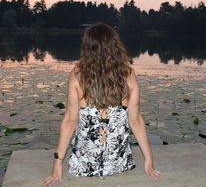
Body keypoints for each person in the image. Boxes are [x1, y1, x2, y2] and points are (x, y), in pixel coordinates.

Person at [42, 22, 163, 186]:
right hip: (119, 163)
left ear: (87, 47)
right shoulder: (128, 73)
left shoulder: (77, 73)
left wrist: (57, 163)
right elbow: (135, 121)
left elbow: (70, 121)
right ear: (115, 46)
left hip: (84, 166)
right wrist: (149, 159)